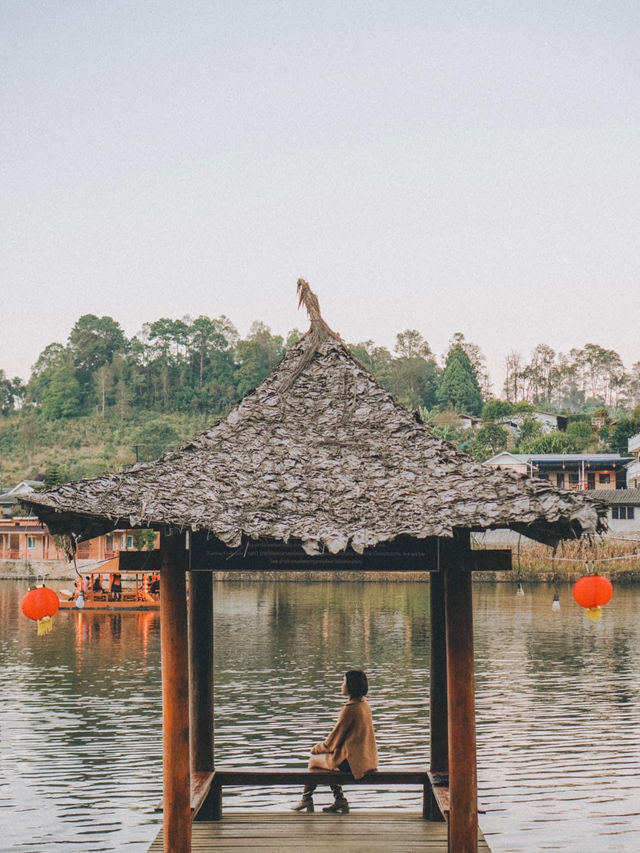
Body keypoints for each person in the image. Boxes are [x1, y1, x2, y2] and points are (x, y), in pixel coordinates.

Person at [292, 670, 378, 814]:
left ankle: (307, 799)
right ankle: (339, 799)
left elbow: (332, 741)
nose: (341, 685)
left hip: (354, 763)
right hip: (367, 759)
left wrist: (316, 748)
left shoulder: (350, 709)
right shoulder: (364, 705)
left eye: (343, 681)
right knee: (328, 761)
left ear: (350, 685)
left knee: (315, 760)